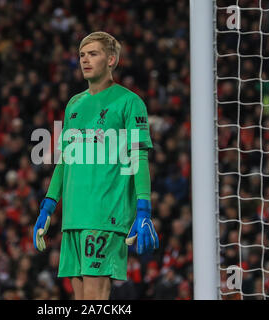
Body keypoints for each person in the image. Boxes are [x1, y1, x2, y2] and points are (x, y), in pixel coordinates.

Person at [33, 31, 159, 300]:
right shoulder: (74, 105)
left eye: (93, 54)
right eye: (81, 55)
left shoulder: (129, 102)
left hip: (105, 214)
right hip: (73, 217)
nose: (85, 60)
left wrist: (144, 208)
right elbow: (65, 160)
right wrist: (47, 206)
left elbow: (138, 157)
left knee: (94, 298)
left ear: (111, 59)